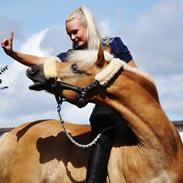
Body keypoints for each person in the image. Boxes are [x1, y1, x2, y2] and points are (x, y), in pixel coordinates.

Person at [1, 6, 136, 183]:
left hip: (130, 107)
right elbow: (43, 61)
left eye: (75, 32)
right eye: (68, 34)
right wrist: (13, 53)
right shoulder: (73, 57)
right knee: (102, 120)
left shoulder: (114, 44)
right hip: (106, 110)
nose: (72, 37)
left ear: (88, 26)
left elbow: (136, 75)